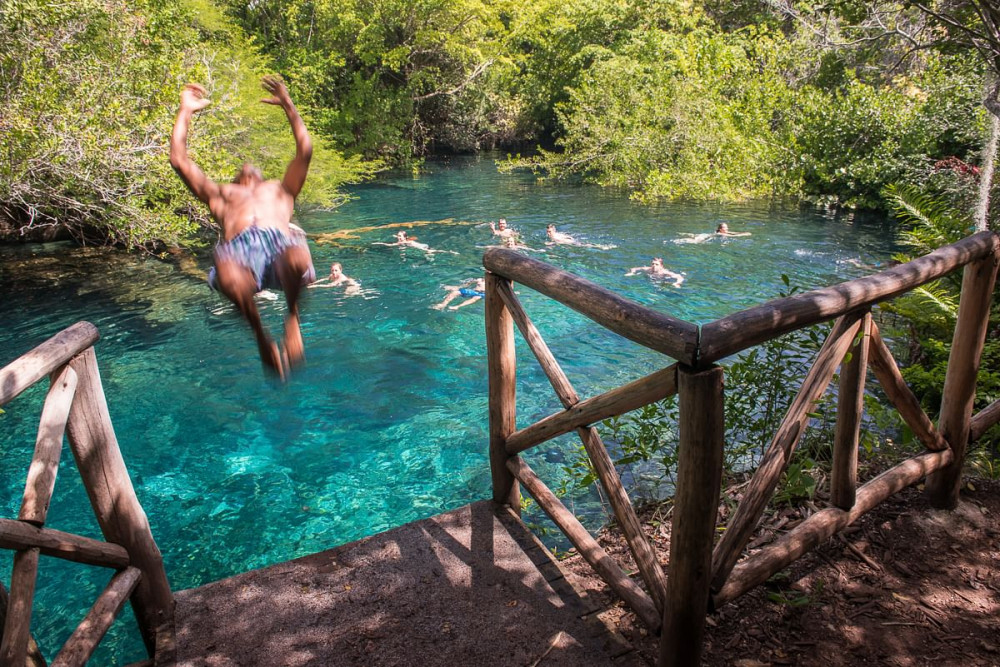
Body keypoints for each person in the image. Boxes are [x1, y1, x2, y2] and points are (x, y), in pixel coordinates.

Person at [170, 75, 315, 379]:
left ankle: (292, 318)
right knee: (223, 267)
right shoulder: (221, 195)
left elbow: (305, 149)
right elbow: (179, 161)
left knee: (296, 253)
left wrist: (288, 104)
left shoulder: (282, 189)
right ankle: (260, 333)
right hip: (238, 256)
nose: (249, 167)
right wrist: (185, 110)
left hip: (280, 246)